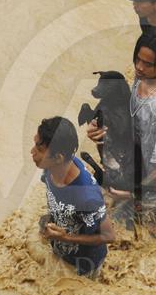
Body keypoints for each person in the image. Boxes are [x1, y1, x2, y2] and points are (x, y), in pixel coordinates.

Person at [87, 30, 156, 226]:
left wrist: (132, 192)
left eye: (147, 64)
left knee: (115, 228)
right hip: (131, 163)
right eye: (137, 59)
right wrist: (100, 124)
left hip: (151, 191)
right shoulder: (145, 77)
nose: (139, 68)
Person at [31, 116, 115, 277]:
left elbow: (109, 236)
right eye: (35, 144)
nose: (32, 152)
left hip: (84, 265)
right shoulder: (50, 169)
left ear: (58, 158)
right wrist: (50, 217)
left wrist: (66, 237)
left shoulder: (87, 197)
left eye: (39, 150)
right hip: (60, 247)